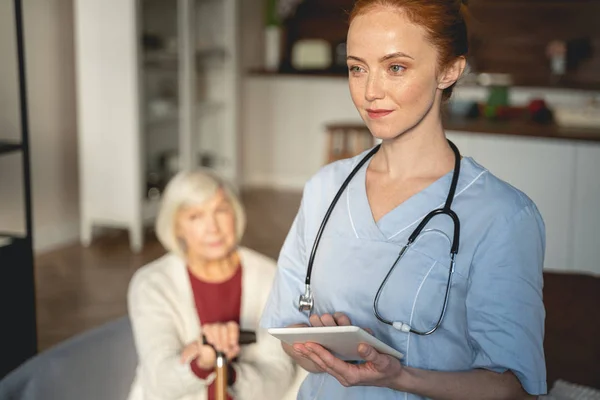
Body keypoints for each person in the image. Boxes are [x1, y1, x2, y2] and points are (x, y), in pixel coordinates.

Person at [260, 1, 547, 399]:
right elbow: (287, 325)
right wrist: (323, 354)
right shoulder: (325, 188)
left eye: (396, 67)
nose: (370, 91)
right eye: (357, 67)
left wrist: (397, 377)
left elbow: (513, 388)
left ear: (449, 70)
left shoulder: (503, 216)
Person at [127, 169, 295, 400]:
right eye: (195, 216)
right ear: (176, 227)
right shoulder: (151, 284)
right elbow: (159, 384)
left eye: (221, 210)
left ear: (235, 214)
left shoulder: (271, 276)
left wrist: (227, 373)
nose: (213, 227)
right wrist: (201, 364)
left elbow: (278, 379)